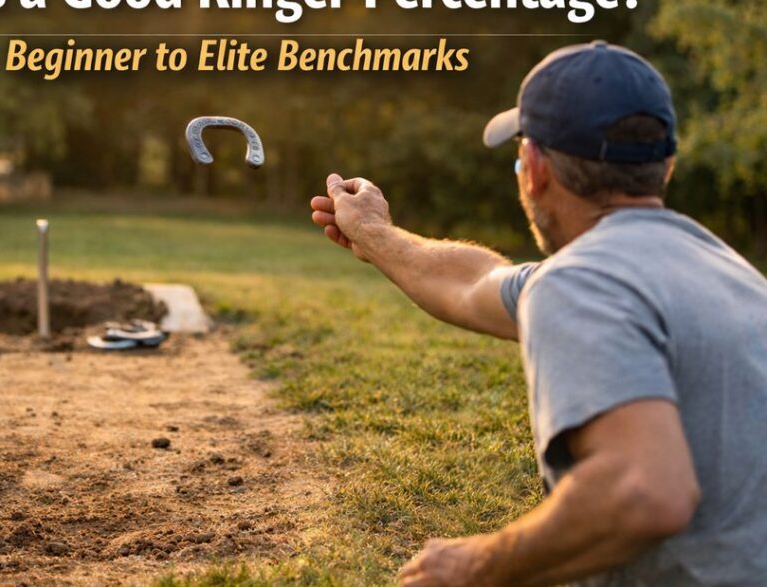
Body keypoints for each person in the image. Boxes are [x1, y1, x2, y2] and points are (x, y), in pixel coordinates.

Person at [310, 41, 767, 586]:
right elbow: (473, 281)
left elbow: (643, 492)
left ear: (533, 170)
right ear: (664, 167)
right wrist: (375, 234)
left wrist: (475, 567)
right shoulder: (732, 275)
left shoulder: (582, 284)